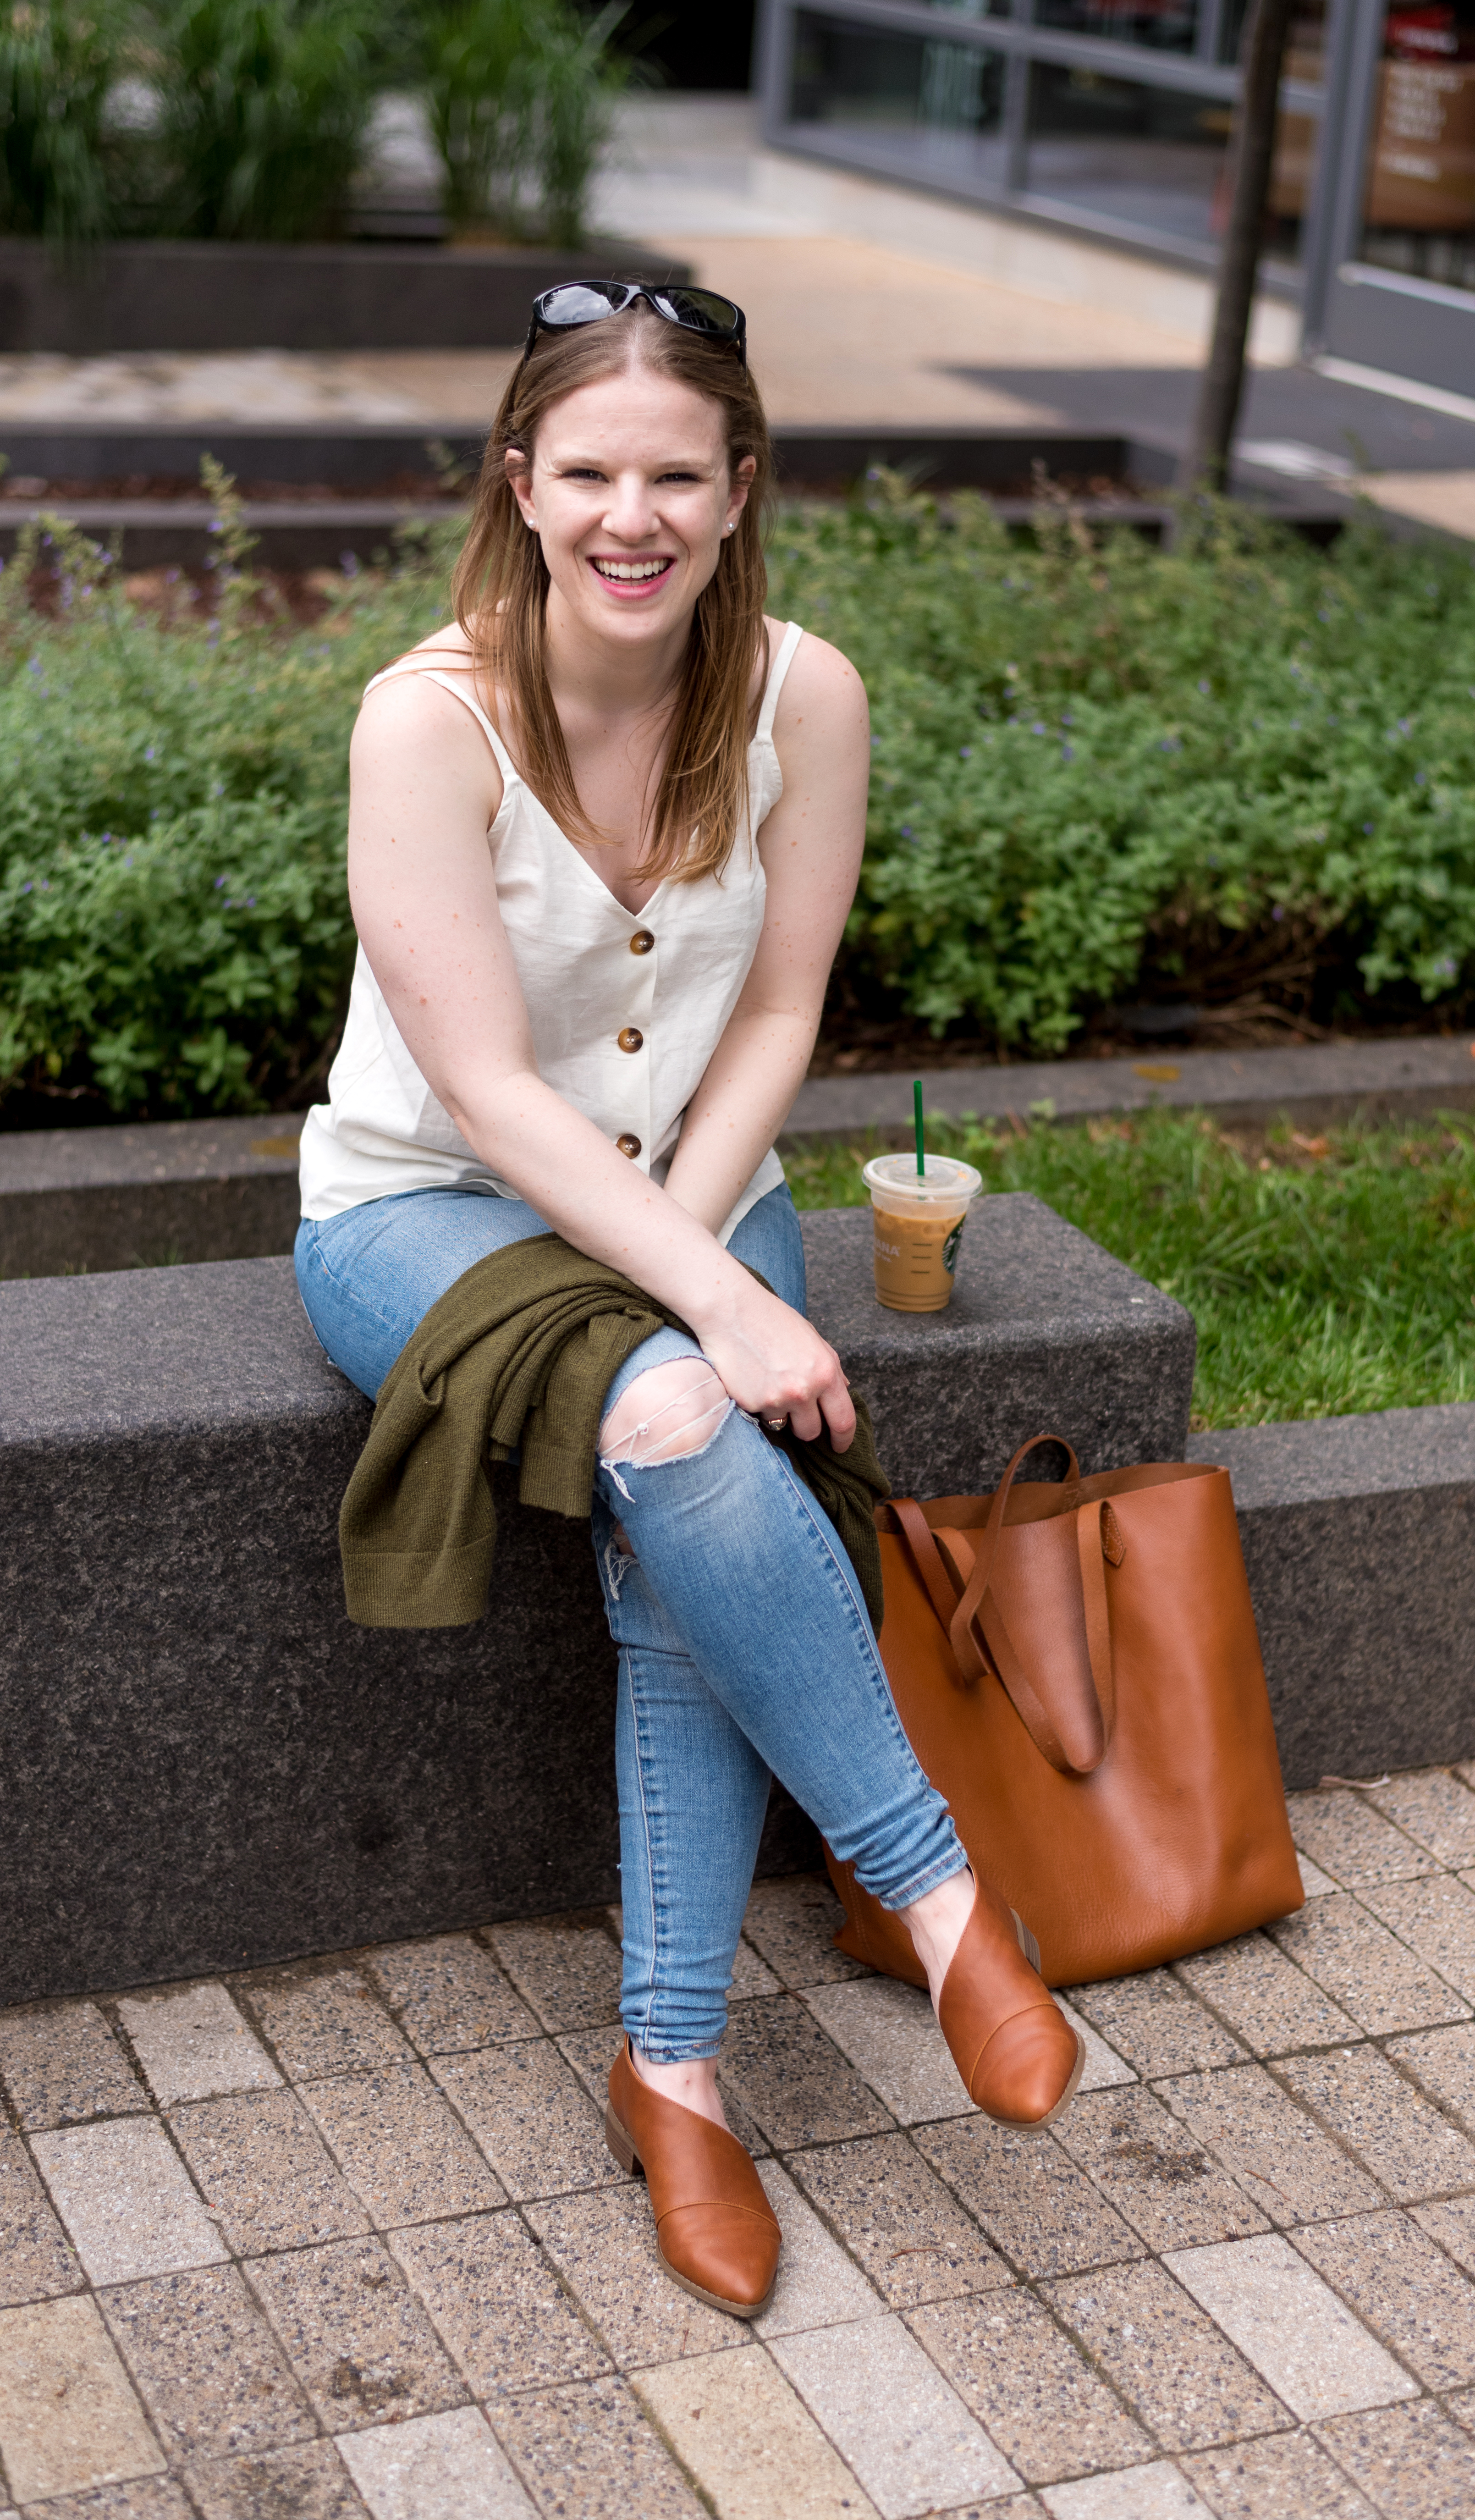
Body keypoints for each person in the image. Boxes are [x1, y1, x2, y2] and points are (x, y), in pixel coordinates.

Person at [293, 281, 1081, 2319]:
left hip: (698, 1180)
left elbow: (787, 1002)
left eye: (675, 474)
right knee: (669, 1410)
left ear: (741, 489)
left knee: (680, 1488)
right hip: (428, 1214)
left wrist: (709, 1256)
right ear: (521, 483)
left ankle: (676, 2071)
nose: (629, 516)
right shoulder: (426, 718)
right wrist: (705, 1315)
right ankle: (935, 1892)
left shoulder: (807, 694)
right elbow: (478, 1090)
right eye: (589, 474)